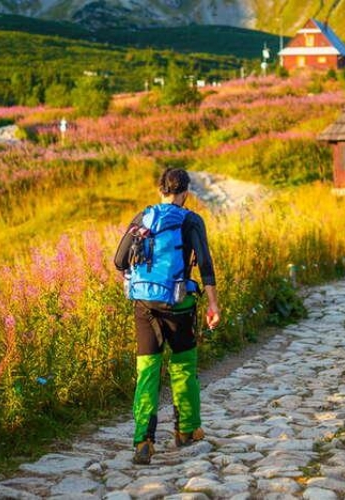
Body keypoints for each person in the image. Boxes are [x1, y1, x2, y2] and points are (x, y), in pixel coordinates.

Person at [113, 167, 221, 465]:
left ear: (160, 190)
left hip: (145, 305)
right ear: (185, 192)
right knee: (183, 367)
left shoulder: (143, 217)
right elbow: (206, 265)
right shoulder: (191, 220)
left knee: (147, 372)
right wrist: (213, 305)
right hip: (180, 305)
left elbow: (119, 259)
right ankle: (186, 430)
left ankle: (142, 440)